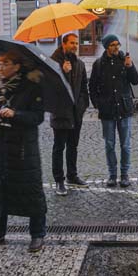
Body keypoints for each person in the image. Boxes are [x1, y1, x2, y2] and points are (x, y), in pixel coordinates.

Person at [0, 49, 48, 253]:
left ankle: (37, 234)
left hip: (23, 149)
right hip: (0, 147)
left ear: (17, 66)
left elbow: (37, 118)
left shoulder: (31, 86)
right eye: (0, 63)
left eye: (6, 63)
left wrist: (15, 114)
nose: (0, 67)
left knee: (31, 191)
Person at [89, 34, 138, 187]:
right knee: (110, 144)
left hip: (124, 109)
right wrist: (98, 104)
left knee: (125, 144)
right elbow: (92, 87)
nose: (116, 47)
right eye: (112, 45)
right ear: (106, 47)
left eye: (117, 44)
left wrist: (130, 67)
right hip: (107, 111)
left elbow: (136, 81)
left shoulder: (125, 61)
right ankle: (112, 174)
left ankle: (124, 174)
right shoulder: (98, 64)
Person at [50, 32, 90, 195]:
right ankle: (59, 180)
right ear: (63, 44)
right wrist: (63, 72)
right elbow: (50, 88)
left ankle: (72, 175)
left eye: (76, 43)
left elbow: (83, 87)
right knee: (59, 147)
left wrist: (82, 106)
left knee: (73, 146)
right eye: (72, 43)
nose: (75, 46)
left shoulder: (79, 64)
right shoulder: (53, 63)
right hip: (60, 112)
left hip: (75, 113)